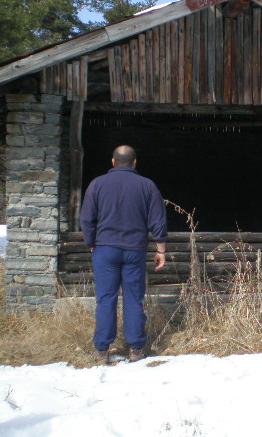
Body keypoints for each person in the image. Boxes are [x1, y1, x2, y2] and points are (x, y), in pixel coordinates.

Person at [80, 145, 167, 363]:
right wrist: (160, 250)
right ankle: (136, 348)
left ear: (113, 161)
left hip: (105, 249)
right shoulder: (147, 185)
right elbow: (158, 219)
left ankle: (102, 350)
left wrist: (91, 242)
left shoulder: (97, 184)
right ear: (134, 163)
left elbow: (87, 218)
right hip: (134, 250)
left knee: (106, 299)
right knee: (134, 299)